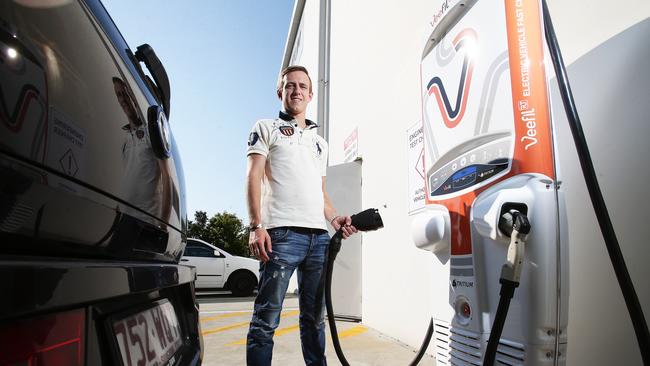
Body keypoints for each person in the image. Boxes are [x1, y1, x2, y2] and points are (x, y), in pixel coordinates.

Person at [245, 65, 357, 366]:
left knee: (314, 320)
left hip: (318, 240)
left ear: (310, 94)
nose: (296, 91)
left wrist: (334, 219)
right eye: (290, 85)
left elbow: (321, 193)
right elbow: (253, 176)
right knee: (265, 322)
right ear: (280, 92)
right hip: (280, 237)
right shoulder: (265, 127)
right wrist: (256, 226)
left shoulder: (320, 144)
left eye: (302, 86)